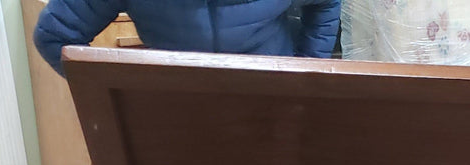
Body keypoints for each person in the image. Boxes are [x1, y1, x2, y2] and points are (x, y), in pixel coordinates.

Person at [33, 0, 341, 76]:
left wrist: (308, 70)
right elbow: (56, 35)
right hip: (178, 118)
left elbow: (327, 4)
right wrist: (119, 101)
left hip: (273, 106)